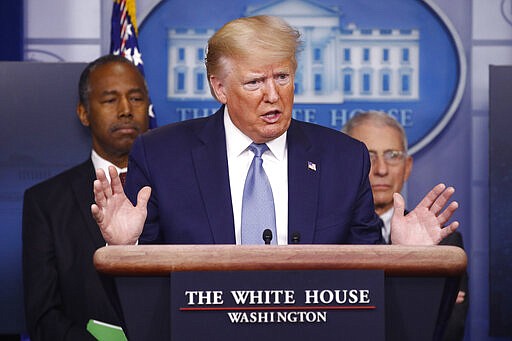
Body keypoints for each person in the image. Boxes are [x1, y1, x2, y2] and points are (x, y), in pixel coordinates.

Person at [91, 15, 458, 249]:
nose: (273, 95)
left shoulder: (343, 159)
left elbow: (366, 284)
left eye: (282, 77)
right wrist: (125, 248)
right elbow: (144, 291)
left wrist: (406, 257)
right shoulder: (161, 156)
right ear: (219, 88)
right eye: (254, 82)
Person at [22, 54, 150, 340]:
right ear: (84, 113)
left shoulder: (180, 188)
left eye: (136, 98)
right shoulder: (45, 203)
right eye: (110, 100)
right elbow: (43, 316)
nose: (126, 109)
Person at [343, 110, 468, 341]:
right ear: (344, 165)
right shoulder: (324, 238)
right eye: (368, 155)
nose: (381, 169)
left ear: (407, 166)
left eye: (392, 155)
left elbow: (447, 332)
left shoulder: (442, 243)